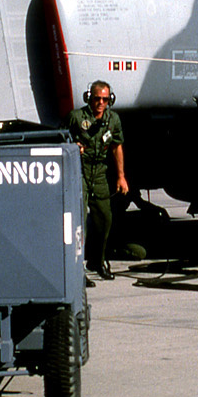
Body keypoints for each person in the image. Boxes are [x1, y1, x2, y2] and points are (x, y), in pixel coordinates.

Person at [67, 80, 128, 280]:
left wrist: (121, 176)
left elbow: (116, 146)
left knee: (104, 218)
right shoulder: (76, 117)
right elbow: (60, 140)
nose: (100, 103)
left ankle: (97, 260)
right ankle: (77, 270)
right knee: (80, 223)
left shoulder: (113, 120)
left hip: (99, 172)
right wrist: (75, 147)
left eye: (105, 99)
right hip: (80, 171)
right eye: (96, 99)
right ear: (89, 98)